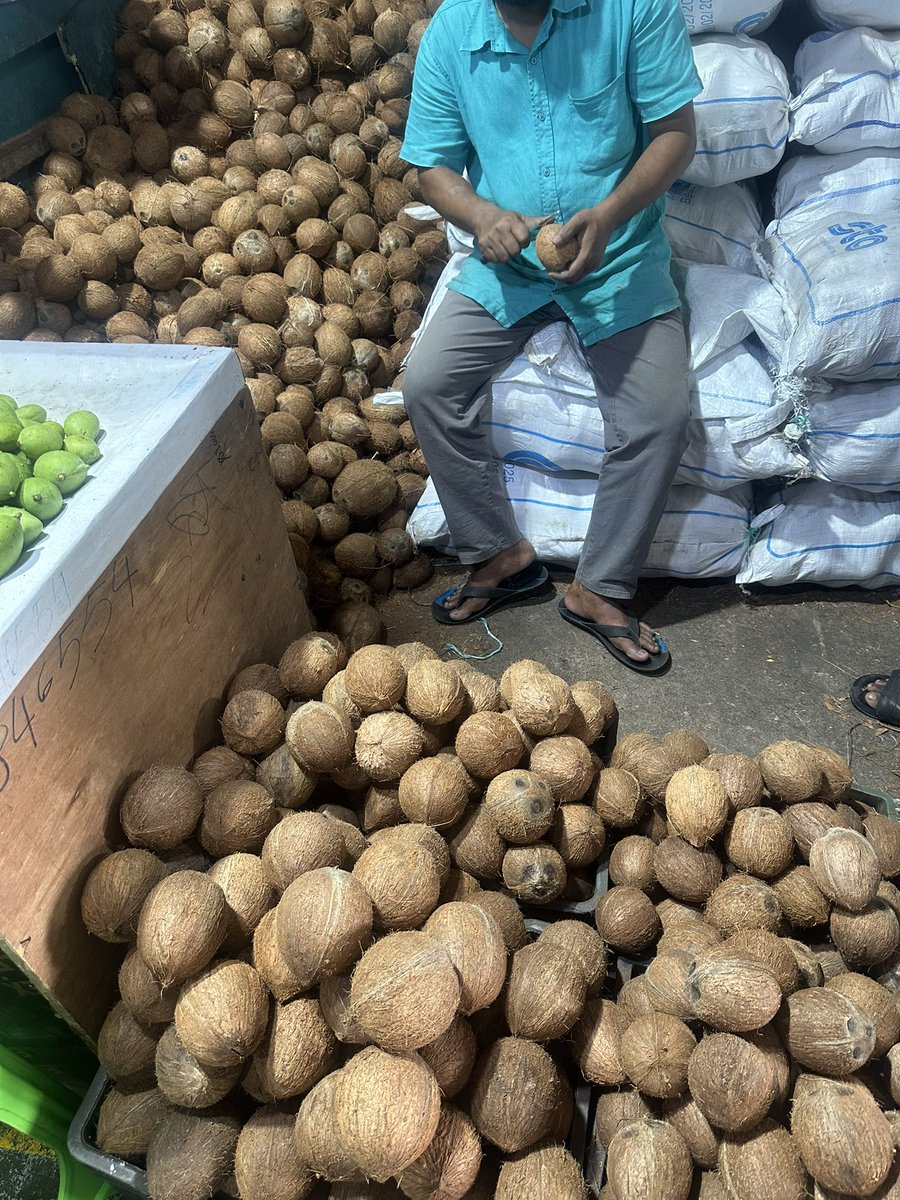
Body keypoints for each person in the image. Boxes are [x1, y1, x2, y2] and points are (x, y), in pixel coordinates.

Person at [399, 0, 702, 674]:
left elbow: (677, 133)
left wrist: (610, 214)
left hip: (617, 260)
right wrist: (483, 216)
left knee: (658, 414)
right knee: (428, 383)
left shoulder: (633, 10)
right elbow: (429, 164)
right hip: (511, 269)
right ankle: (498, 555)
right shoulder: (456, 29)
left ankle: (599, 589)